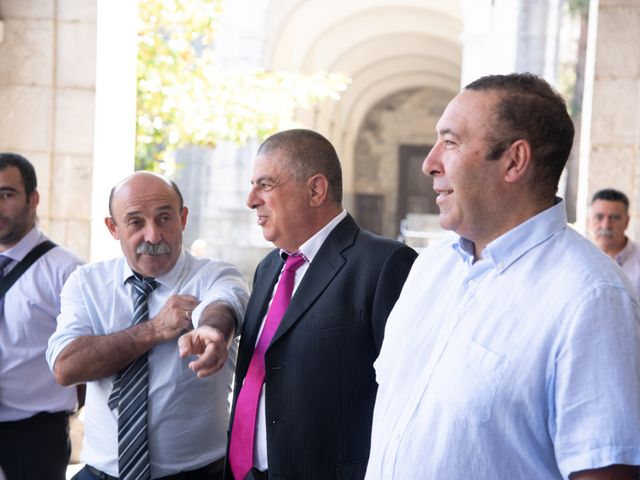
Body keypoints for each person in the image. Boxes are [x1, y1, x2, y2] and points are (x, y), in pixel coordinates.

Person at [365, 73, 640, 480]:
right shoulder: (430, 267)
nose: (429, 163)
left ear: (514, 161)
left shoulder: (591, 298)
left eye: (451, 142)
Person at [181, 129, 417, 480]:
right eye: (252, 184)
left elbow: (408, 396)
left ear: (315, 189)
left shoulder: (385, 264)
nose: (250, 199)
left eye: (265, 184)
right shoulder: (268, 267)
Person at [46, 171, 248, 479]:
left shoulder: (215, 275)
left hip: (198, 474)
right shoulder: (86, 283)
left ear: (183, 218)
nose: (153, 236)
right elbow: (65, 368)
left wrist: (213, 331)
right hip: (100, 473)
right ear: (113, 228)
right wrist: (154, 330)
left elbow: (223, 306)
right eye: (136, 222)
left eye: (164, 218)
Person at [0, 153, 84, 480]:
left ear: (33, 199)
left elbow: (85, 356)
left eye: (6, 195)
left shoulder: (66, 270)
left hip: (34, 437)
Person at [588, 188, 640, 296]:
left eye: (615, 218)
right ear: (589, 221)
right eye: (599, 217)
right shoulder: (578, 258)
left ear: (627, 222)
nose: (606, 225)